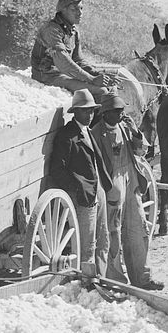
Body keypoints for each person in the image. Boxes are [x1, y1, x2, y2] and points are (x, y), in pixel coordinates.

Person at [91, 93, 165, 291]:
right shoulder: (96, 133)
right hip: (112, 186)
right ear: (105, 113)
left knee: (138, 229)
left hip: (131, 181)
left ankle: (142, 278)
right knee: (112, 234)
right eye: (117, 111)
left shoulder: (125, 128)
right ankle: (116, 280)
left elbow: (142, 151)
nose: (121, 114)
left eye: (122, 110)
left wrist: (135, 132)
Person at [48, 89, 112, 276]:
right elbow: (57, 170)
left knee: (103, 238)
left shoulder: (87, 131)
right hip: (84, 196)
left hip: (97, 190)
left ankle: (101, 276)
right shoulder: (67, 136)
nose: (89, 115)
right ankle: (86, 280)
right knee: (86, 244)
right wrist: (77, 188)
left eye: (92, 111)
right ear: (75, 112)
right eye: (85, 111)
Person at [30, 0, 119, 100]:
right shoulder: (51, 30)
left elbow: (78, 60)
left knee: (111, 87)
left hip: (64, 74)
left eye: (81, 8)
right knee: (101, 91)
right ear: (62, 11)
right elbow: (63, 62)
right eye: (74, 9)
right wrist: (91, 79)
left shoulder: (73, 31)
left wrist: (98, 74)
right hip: (47, 75)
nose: (80, 13)